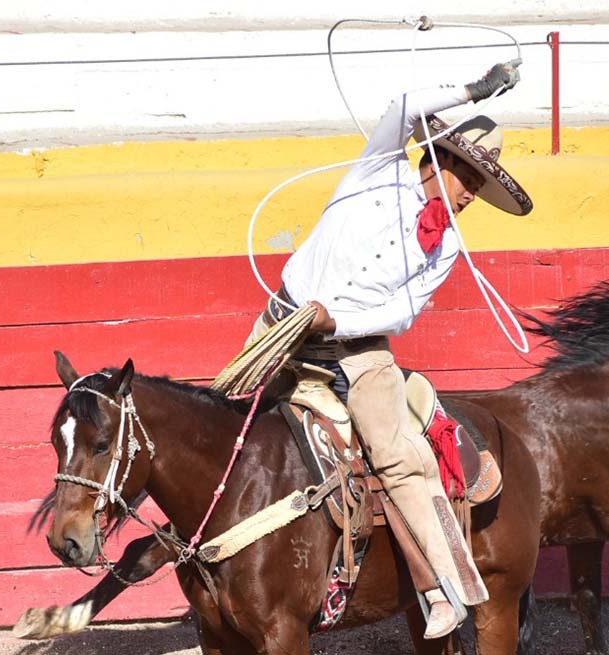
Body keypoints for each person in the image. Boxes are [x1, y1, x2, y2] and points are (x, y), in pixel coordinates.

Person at [251, 61, 533, 639]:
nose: (471, 196)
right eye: (469, 180)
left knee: (404, 458)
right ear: (438, 160)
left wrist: (337, 319)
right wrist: (474, 89)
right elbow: (403, 106)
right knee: (222, 420)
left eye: (479, 188)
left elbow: (402, 313)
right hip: (279, 328)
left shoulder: (448, 246)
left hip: (359, 353)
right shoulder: (376, 170)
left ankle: (440, 588)